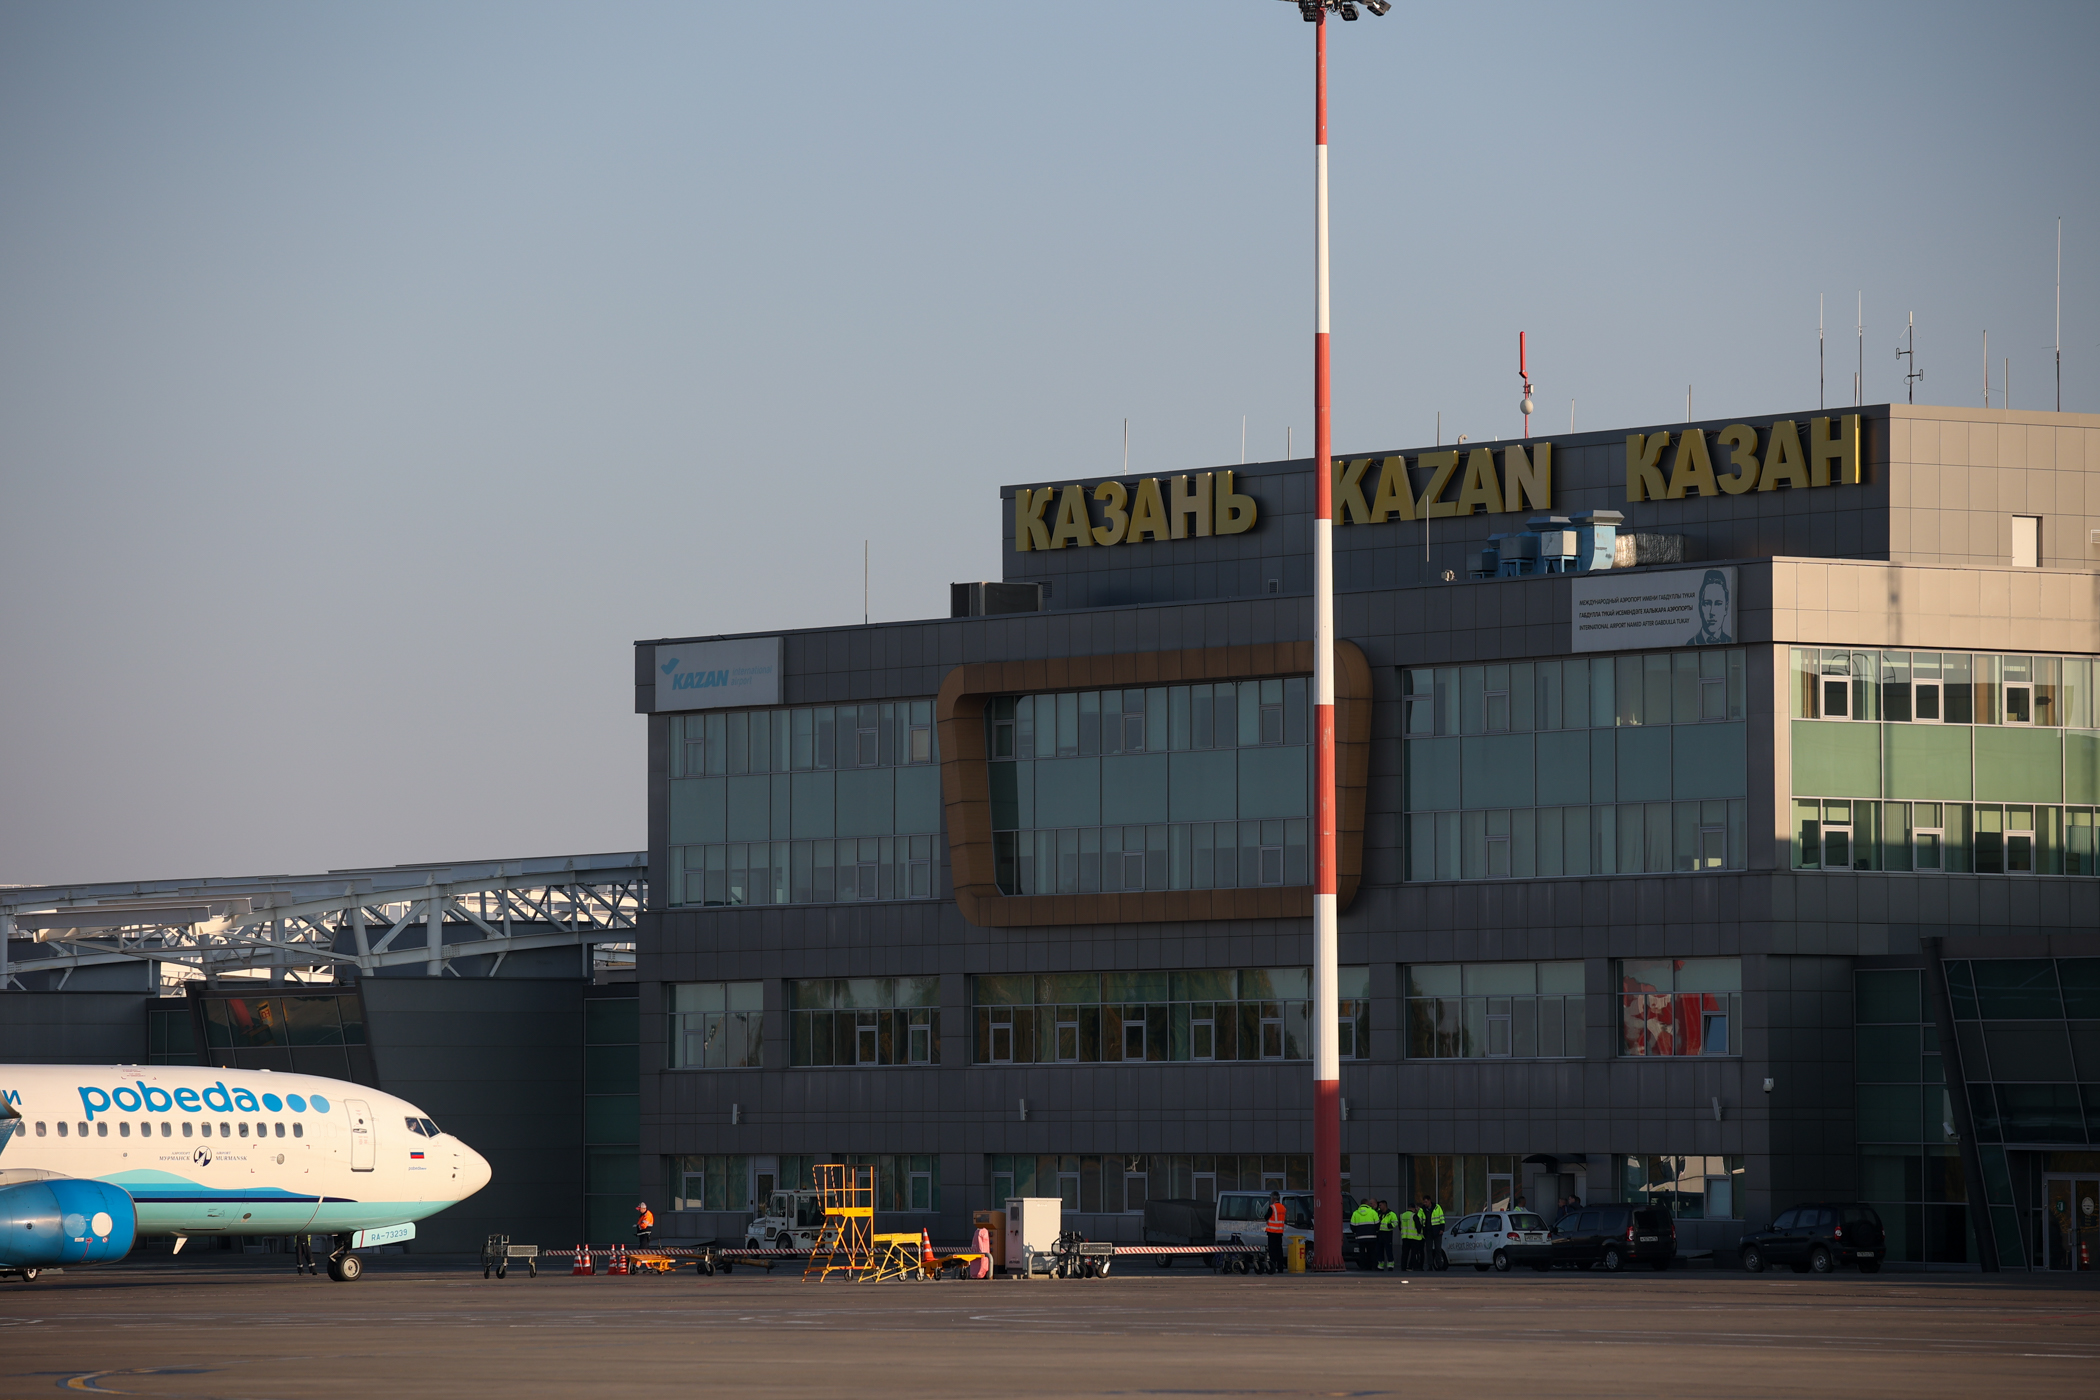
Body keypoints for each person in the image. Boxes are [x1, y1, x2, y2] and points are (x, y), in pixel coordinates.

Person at [1690, 568, 1733, 644]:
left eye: (1718, 604)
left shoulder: (1730, 641)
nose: (1712, 612)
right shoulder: (1691, 643)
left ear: (1726, 607)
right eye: (1707, 603)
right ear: (1700, 607)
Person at [1349, 1198, 1380, 1271]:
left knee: (1362, 1252)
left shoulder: (1355, 1213)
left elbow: (1352, 1226)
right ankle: (1373, 1266)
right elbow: (1377, 1224)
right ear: (1367, 1204)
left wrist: (1356, 1232)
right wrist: (1375, 1231)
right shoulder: (1372, 1212)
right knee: (1372, 1252)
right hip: (1371, 1236)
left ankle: (1363, 1266)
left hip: (1360, 1236)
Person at [1396, 1198, 1423, 1272]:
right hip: (1414, 1238)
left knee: (1404, 1254)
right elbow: (1418, 1227)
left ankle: (1403, 1267)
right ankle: (1414, 1267)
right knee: (1414, 1253)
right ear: (1414, 1209)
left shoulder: (1402, 1215)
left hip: (1405, 1237)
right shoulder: (1414, 1216)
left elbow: (1400, 1227)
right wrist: (1419, 1232)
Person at [1264, 1191, 1287, 1273]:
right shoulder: (1283, 1208)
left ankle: (1272, 1268)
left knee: (1272, 1252)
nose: (1271, 1199)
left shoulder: (1272, 1207)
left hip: (1272, 1233)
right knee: (1279, 1251)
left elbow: (1266, 1216)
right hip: (1279, 1233)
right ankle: (1280, 1268)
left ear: (1273, 1198)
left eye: (1271, 1197)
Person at [1423, 1194, 1446, 1270]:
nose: (1425, 1203)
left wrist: (1442, 1229)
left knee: (1438, 1249)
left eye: (1426, 1202)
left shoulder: (1437, 1207)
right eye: (1424, 1202)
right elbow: (1420, 1218)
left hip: (1437, 1231)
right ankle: (1430, 1265)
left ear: (1429, 1201)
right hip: (1428, 1232)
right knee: (1429, 1249)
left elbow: (1442, 1219)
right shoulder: (1423, 1209)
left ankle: (1439, 1265)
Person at [1376, 1200, 1399, 1271]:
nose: (1379, 1207)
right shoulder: (1378, 1213)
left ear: (1385, 1205)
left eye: (1380, 1205)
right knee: (1380, 1250)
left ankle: (1390, 1265)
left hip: (1387, 1233)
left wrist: (1390, 1226)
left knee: (1388, 1250)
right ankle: (1380, 1265)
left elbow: (1396, 1222)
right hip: (1380, 1233)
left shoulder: (1391, 1214)